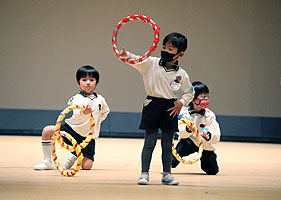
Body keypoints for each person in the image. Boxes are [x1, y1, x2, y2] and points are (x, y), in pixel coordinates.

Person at [118, 32, 195, 185]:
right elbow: (137, 59)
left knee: (167, 144)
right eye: (164, 47)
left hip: (170, 108)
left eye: (170, 49)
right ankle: (144, 173)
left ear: (180, 54)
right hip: (152, 106)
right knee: (149, 142)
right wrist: (126, 54)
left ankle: (167, 174)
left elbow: (190, 92)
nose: (165, 51)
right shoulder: (151, 63)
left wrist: (181, 103)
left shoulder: (182, 74)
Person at [34, 65, 110, 170]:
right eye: (84, 80)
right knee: (47, 131)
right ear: (78, 83)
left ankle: (75, 153)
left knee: (87, 167)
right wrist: (84, 112)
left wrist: (96, 122)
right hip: (71, 131)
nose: (88, 82)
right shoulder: (76, 98)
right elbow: (77, 112)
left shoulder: (101, 99)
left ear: (96, 83)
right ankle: (47, 161)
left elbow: (105, 112)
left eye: (91, 80)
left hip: (88, 137)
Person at [172, 81, 220, 175]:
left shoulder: (209, 115)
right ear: (193, 99)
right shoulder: (184, 113)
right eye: (203, 97)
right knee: (172, 159)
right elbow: (180, 130)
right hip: (189, 141)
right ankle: (167, 168)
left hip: (205, 144)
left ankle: (206, 159)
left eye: (207, 97)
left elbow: (216, 133)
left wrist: (209, 135)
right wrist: (188, 129)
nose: (206, 100)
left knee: (212, 170)